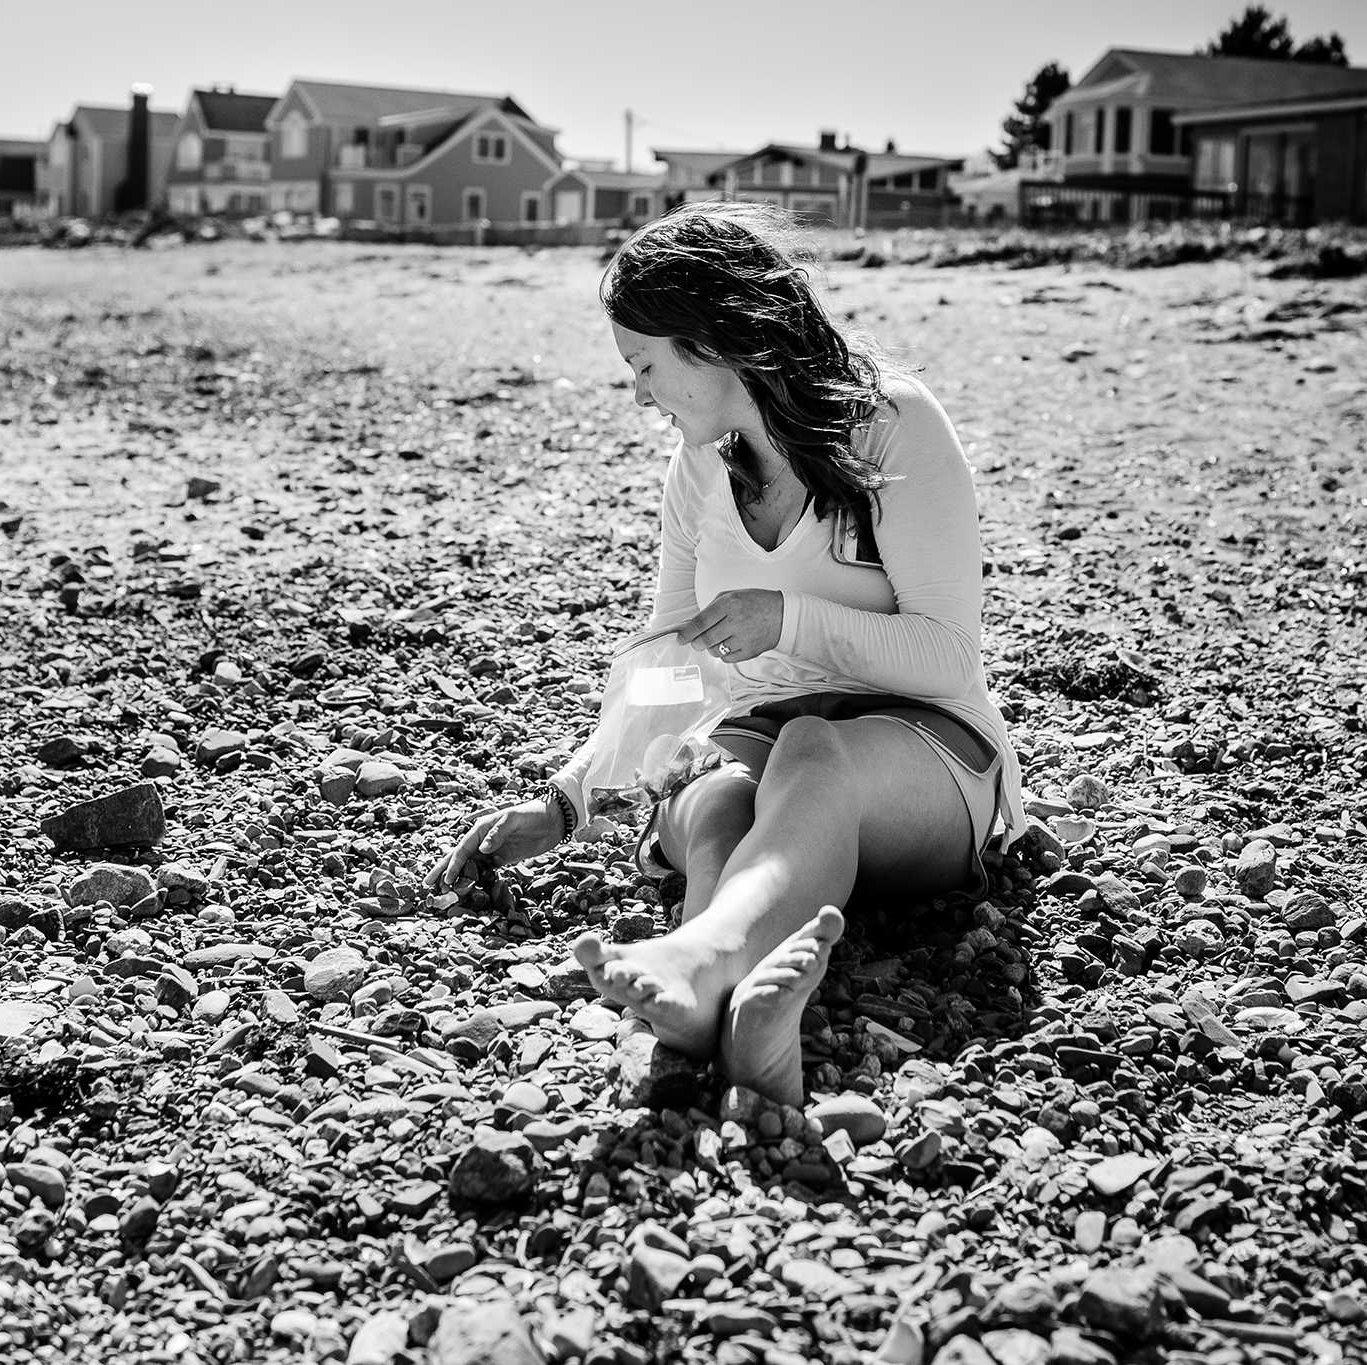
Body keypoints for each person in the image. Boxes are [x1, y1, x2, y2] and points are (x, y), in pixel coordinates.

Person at [429, 203, 1022, 1106]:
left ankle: (702, 957)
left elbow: (948, 656)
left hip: (927, 751)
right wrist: (571, 794)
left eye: (645, 364)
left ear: (711, 341)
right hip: (757, 728)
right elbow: (670, 663)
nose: (638, 394)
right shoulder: (699, 468)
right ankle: (725, 1004)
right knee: (708, 795)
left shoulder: (892, 423)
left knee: (811, 754)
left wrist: (788, 618)